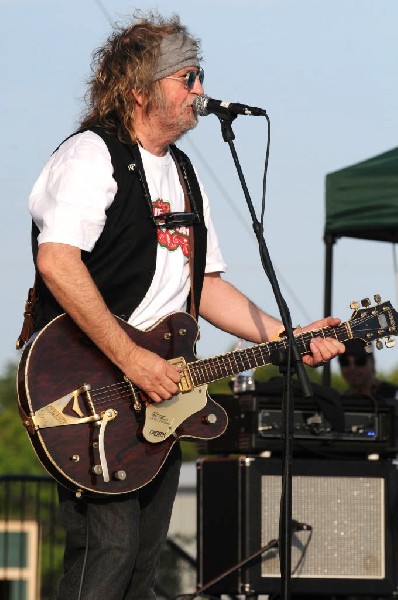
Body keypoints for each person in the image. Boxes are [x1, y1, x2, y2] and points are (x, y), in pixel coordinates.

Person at [25, 11, 344, 600]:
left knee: (144, 561)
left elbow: (204, 287)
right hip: (91, 386)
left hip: (162, 389)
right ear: (139, 88)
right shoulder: (92, 156)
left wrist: (290, 335)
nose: (201, 91)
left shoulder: (185, 173)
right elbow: (57, 263)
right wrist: (130, 359)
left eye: (199, 76)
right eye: (187, 77)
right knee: (108, 552)